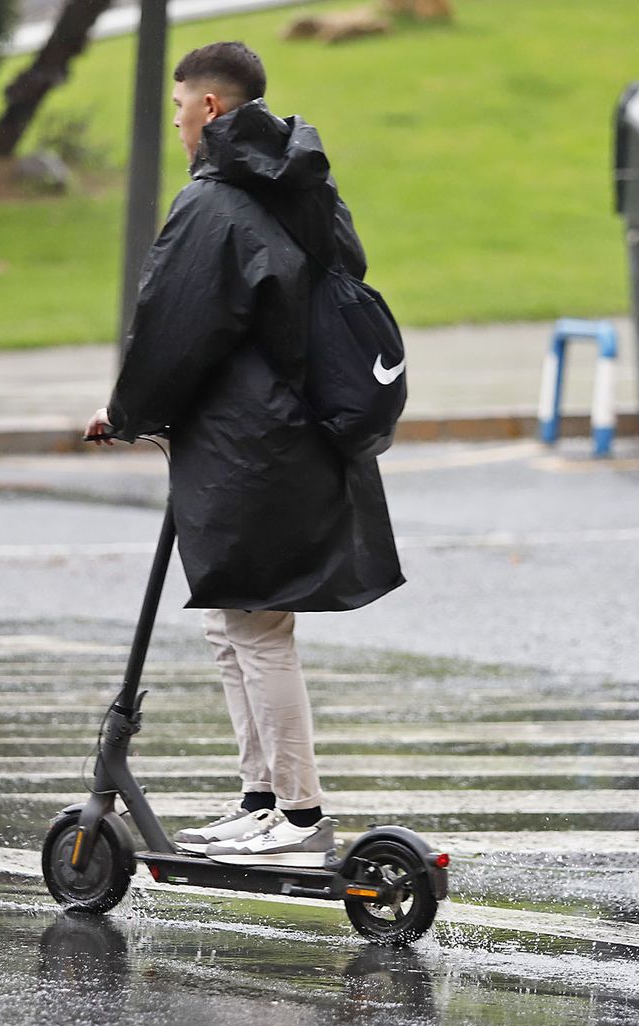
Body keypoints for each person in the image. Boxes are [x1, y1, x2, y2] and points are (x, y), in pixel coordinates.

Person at [85, 41, 403, 867]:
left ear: (210, 107)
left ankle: (299, 815)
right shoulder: (303, 182)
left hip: (254, 443)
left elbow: (175, 325)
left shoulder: (213, 203)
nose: (177, 122)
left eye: (180, 106)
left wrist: (126, 412)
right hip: (287, 434)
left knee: (257, 628)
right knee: (235, 623)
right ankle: (260, 802)